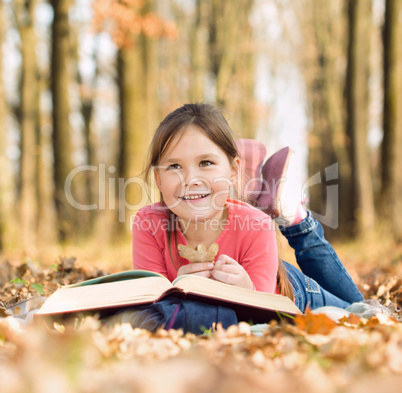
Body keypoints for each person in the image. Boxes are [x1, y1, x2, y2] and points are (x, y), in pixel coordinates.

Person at [129, 103, 363, 332]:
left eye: (206, 163)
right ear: (158, 179)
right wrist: (174, 290)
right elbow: (152, 306)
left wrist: (247, 290)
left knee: (361, 311)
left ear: (232, 170)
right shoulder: (148, 224)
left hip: (286, 290)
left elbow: (265, 315)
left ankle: (296, 220)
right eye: (174, 166)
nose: (190, 179)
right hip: (258, 260)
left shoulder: (256, 225)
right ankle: (252, 194)